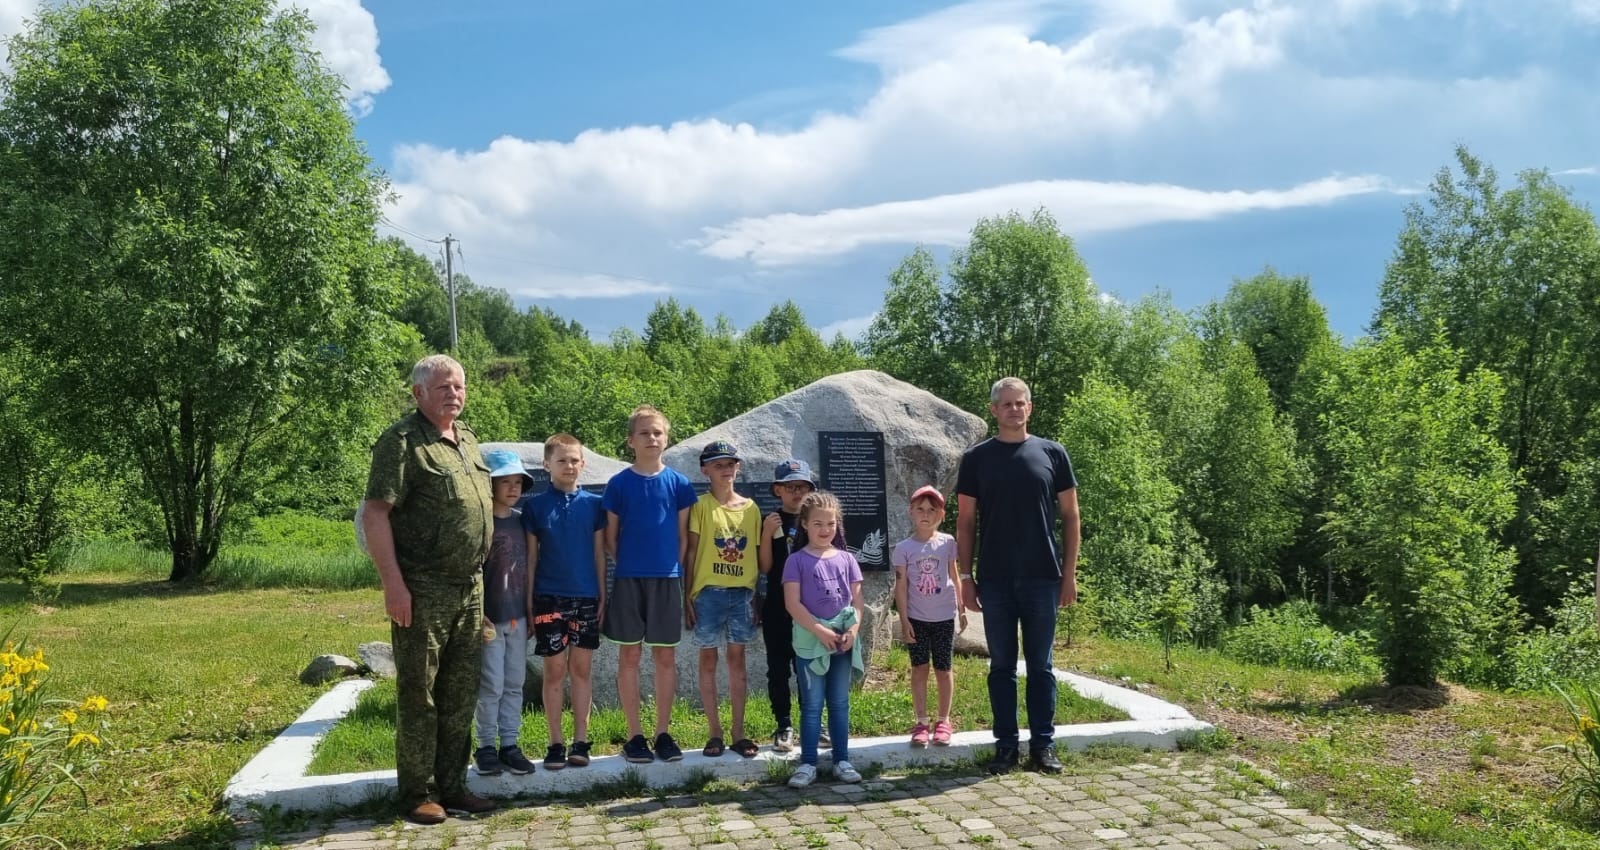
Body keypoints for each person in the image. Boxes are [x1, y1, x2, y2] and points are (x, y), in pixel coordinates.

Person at [361, 354, 498, 824]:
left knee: (461, 692)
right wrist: (393, 587)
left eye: (458, 386)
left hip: (470, 588)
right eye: (443, 387)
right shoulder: (401, 442)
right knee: (420, 692)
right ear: (418, 392)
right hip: (423, 588)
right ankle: (418, 791)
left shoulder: (468, 441)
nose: (454, 394)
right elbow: (376, 513)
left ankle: (454, 785)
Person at [956, 376, 1080, 776]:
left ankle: (1043, 746)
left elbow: (1071, 516)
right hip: (994, 580)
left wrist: (1069, 575)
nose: (1013, 409)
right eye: (1005, 404)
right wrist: (965, 576)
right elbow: (966, 522)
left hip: (1043, 577)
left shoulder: (1052, 453)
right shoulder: (976, 459)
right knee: (1002, 667)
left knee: (1041, 667)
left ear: (1030, 407)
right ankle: (1005, 746)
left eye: (1020, 403)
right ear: (993, 410)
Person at [602, 404, 698, 764]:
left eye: (657, 432)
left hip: (667, 579)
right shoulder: (619, 484)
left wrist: (672, 570)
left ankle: (663, 732)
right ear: (631, 440)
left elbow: (683, 538)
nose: (652, 438)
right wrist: (628, 565)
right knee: (629, 655)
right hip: (629, 579)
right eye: (644, 432)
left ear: (667, 438)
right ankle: (634, 735)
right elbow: (610, 537)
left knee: (665, 656)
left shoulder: (679, 484)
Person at [523, 433, 608, 770]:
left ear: (583, 464)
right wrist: (530, 601)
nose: (569, 466)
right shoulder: (535, 507)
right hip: (548, 597)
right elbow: (530, 559)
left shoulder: (594, 505)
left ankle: (581, 741)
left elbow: (600, 554)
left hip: (586, 597)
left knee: (581, 670)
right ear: (547, 465)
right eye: (561, 460)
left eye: (574, 460)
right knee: (555, 670)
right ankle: (555, 743)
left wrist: (602, 593)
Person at [684, 440, 764, 758]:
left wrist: (757, 594)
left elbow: (757, 556)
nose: (726, 469)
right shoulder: (701, 507)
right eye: (718, 465)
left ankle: (738, 732)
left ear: (738, 467)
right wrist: (687, 595)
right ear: (705, 470)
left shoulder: (752, 509)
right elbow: (691, 553)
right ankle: (714, 732)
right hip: (708, 594)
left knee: (737, 662)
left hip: (742, 593)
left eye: (730, 463)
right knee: (708, 660)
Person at [783, 490, 864, 788]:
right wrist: (820, 630)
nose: (825, 529)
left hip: (842, 643)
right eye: (818, 523)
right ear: (804, 524)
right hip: (811, 643)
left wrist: (852, 631)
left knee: (840, 702)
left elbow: (857, 601)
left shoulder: (847, 559)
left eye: (830, 523)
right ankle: (807, 763)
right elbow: (793, 604)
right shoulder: (796, 561)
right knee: (813, 704)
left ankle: (842, 759)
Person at [471, 449, 537, 778]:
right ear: (490, 484)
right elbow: (472, 569)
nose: (513, 488)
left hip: (518, 616)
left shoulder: (522, 520)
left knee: (515, 682)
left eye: (518, 482)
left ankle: (510, 744)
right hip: (489, 617)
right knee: (491, 684)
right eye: (505, 482)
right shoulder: (481, 522)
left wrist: (529, 608)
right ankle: (484, 746)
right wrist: (477, 610)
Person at [892, 485, 966, 748]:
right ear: (911, 512)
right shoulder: (903, 548)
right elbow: (900, 585)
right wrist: (904, 620)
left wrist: (962, 606)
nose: (926, 514)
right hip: (917, 617)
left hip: (944, 616)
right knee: (919, 668)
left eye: (932, 510)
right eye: (920, 509)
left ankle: (944, 721)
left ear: (941, 514)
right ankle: (921, 721)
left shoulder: (947, 543)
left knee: (944, 668)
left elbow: (953, 574)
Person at [758, 459, 815, 753]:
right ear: (778, 489)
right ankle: (784, 724)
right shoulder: (771, 520)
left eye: (803, 487)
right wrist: (767, 533)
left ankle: (812, 724)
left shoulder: (813, 521)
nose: (797, 493)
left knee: (808, 667)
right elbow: (765, 567)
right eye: (791, 487)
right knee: (778, 669)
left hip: (809, 607)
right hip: (778, 608)